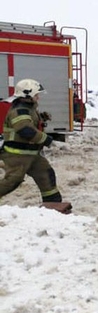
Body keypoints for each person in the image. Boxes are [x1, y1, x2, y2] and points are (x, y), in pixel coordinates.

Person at [0, 79, 70, 213]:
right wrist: (48, 140)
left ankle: (53, 206)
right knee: (12, 181)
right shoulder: (20, 110)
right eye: (36, 94)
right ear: (27, 95)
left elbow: (29, 123)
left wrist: (41, 118)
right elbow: (26, 130)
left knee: (46, 173)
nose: (38, 97)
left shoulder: (28, 109)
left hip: (31, 154)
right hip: (17, 155)